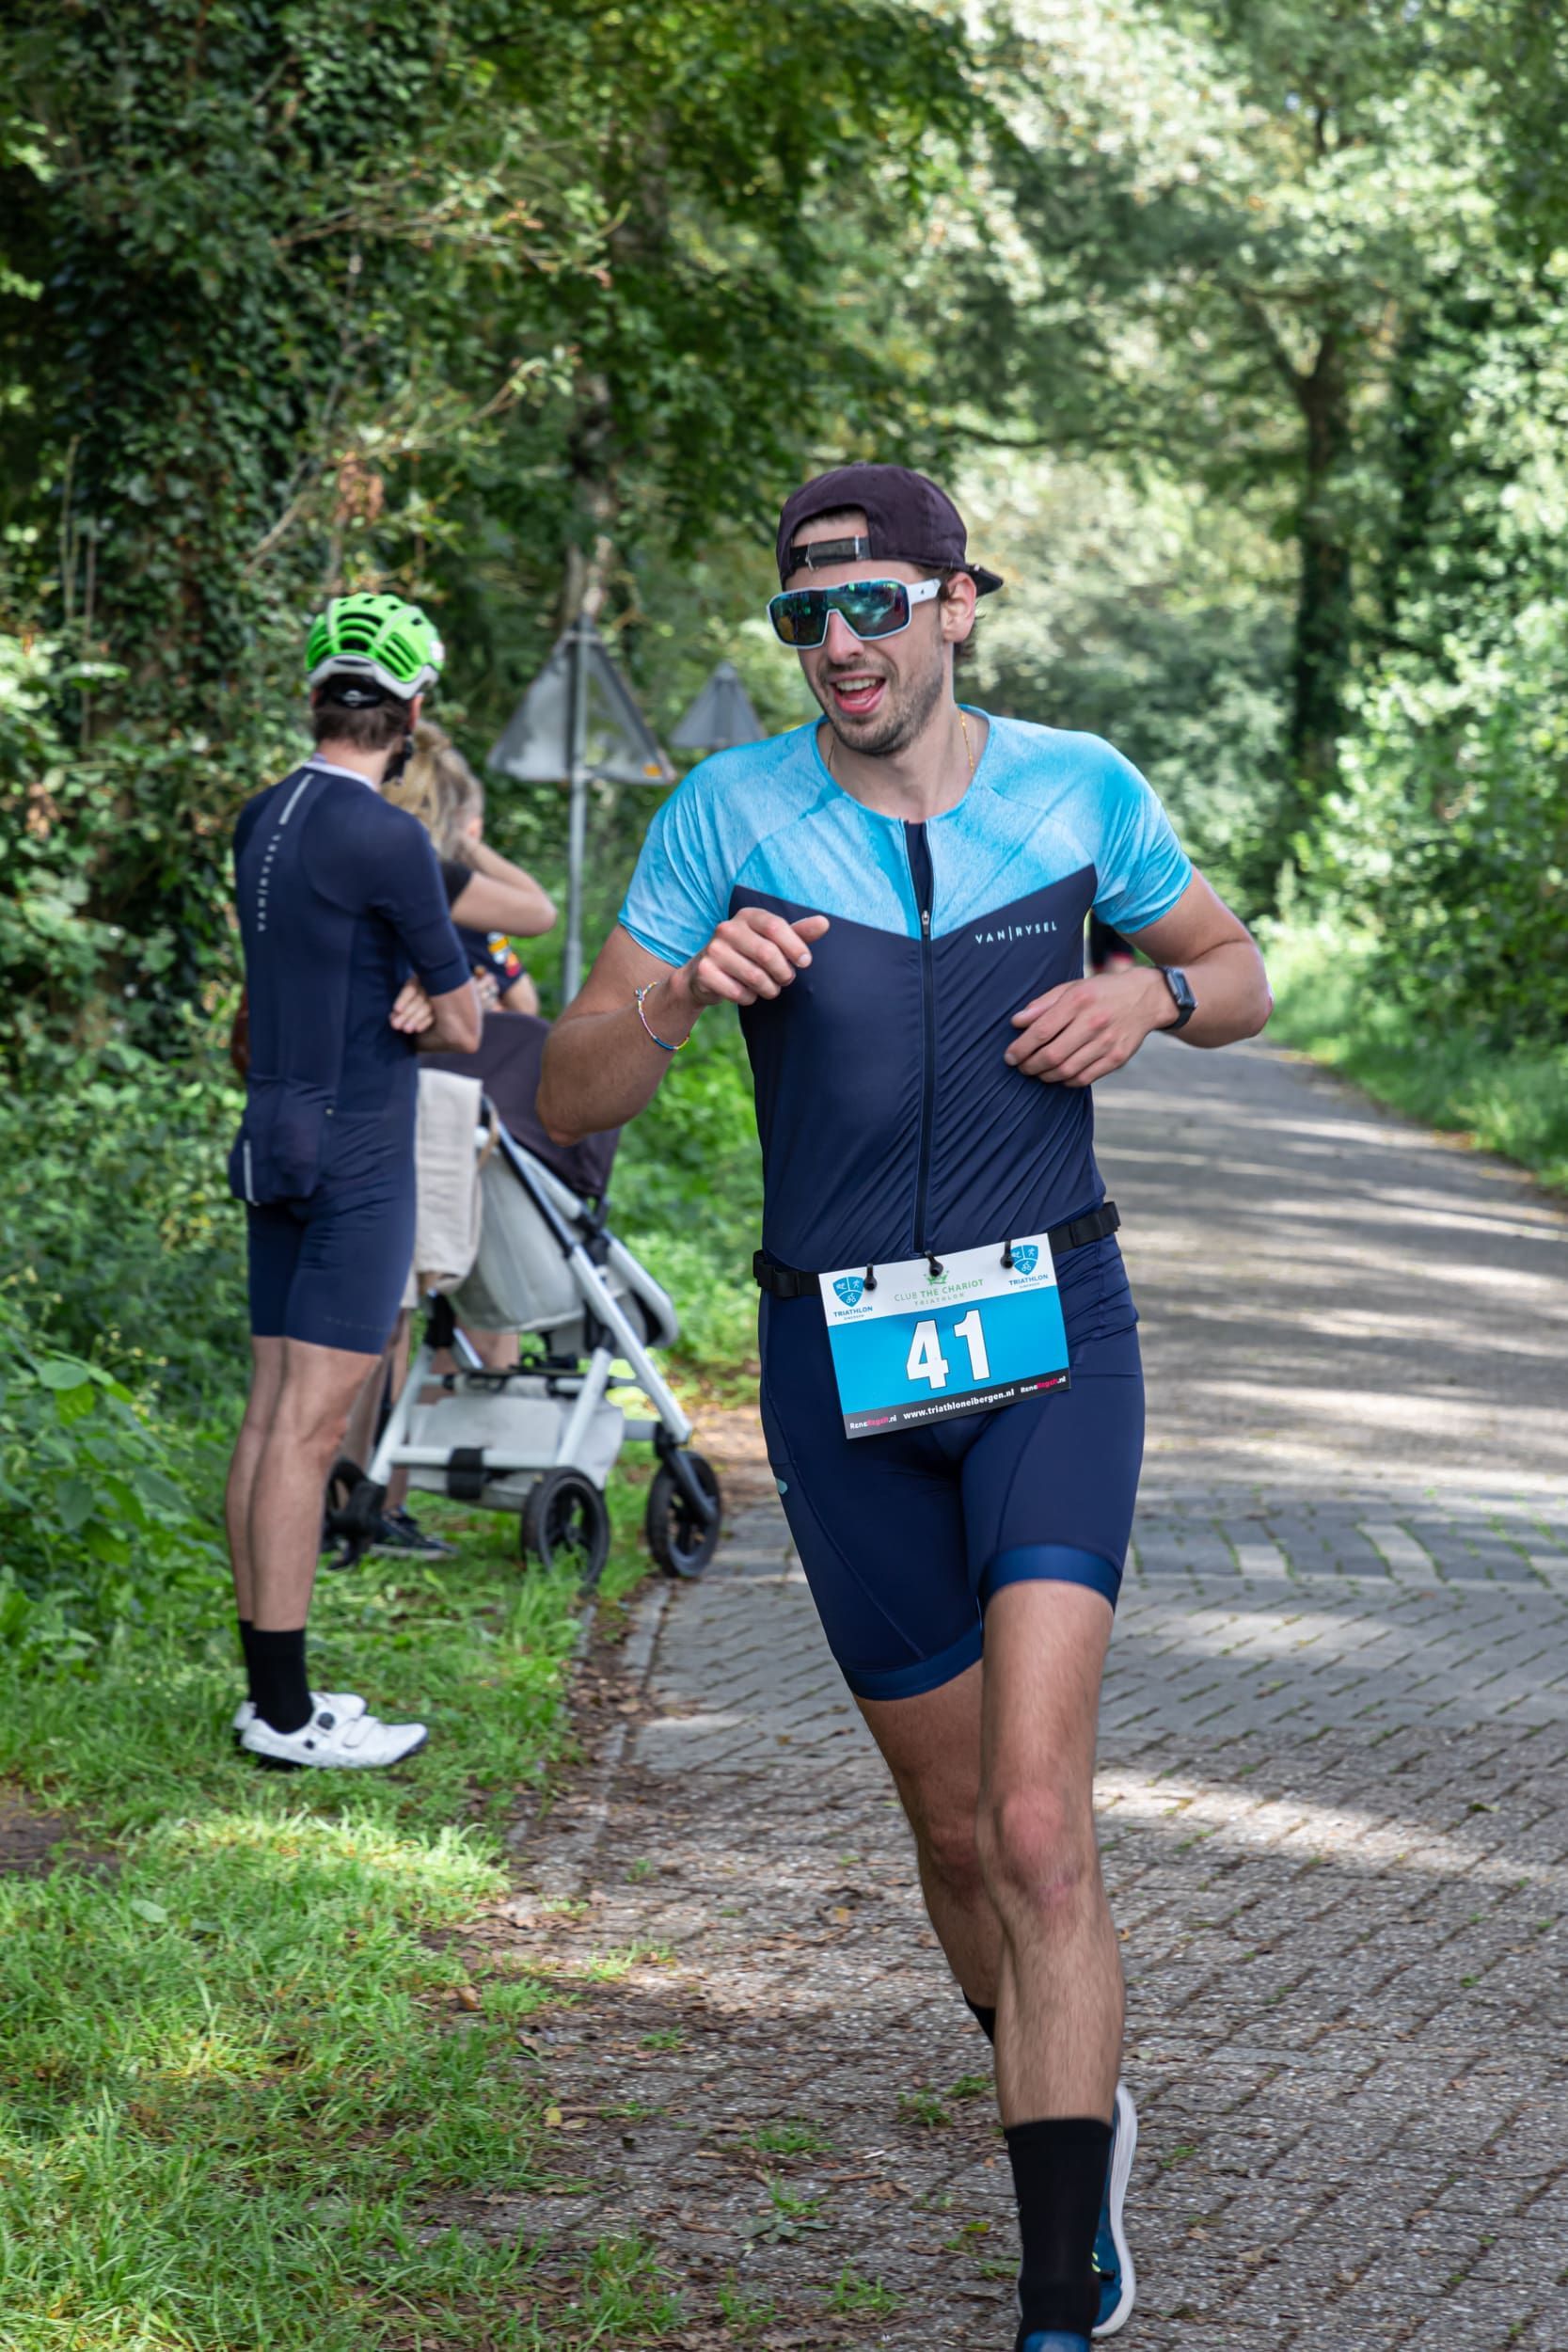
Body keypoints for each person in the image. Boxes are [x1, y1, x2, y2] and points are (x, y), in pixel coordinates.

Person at [537, 464, 1271, 2352]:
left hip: (1051, 1334)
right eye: (804, 618)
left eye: (871, 606)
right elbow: (566, 1095)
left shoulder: (1075, 789)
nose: (839, 646)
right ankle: (1058, 2073)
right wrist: (687, 990)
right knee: (949, 1835)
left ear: (954, 605)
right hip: (837, 1371)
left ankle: (1048, 2284)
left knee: (1035, 1820)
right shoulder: (727, 813)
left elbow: (1231, 969)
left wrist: (1149, 1006)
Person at [224, 592, 481, 1769]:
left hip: (272, 1136)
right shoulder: (389, 838)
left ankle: (266, 1693)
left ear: (319, 692)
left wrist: (415, 990)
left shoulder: (260, 818)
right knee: (309, 1428)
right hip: (359, 1153)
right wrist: (437, 994)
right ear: (413, 709)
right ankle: (286, 1718)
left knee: (272, 1413)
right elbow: (470, 1028)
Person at [342, 723, 559, 1551]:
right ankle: (393, 1495)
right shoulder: (438, 881)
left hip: (361, 1102)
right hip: (442, 1116)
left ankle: (354, 1486)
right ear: (449, 813)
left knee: (382, 1315)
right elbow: (530, 961)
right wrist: (475, 845)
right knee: (449, 1302)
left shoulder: (353, 870)